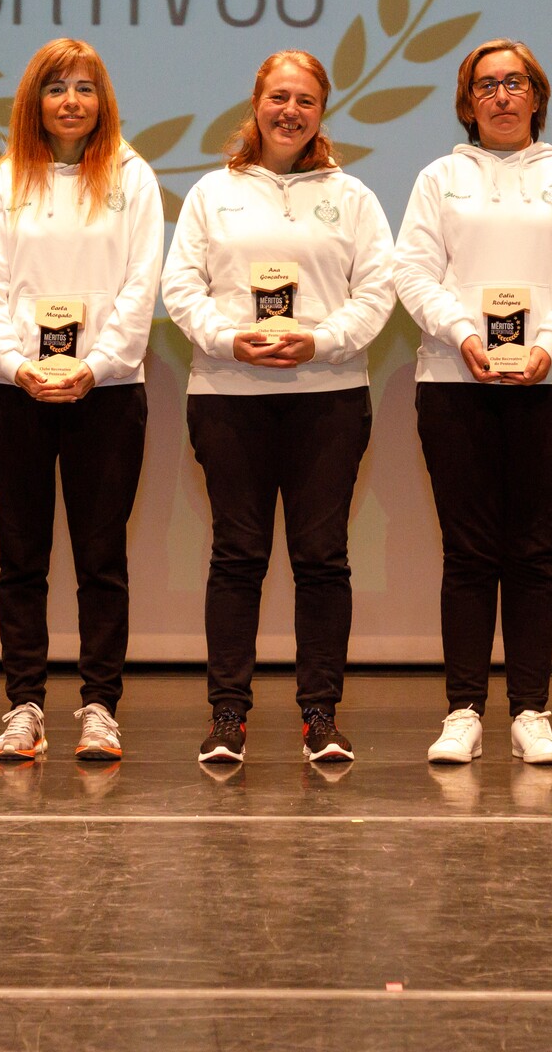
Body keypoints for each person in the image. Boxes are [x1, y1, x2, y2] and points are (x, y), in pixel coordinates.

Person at [162, 51, 396, 765]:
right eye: (278, 97)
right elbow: (181, 288)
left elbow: (377, 291)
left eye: (306, 101)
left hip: (328, 399)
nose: (290, 111)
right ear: (256, 103)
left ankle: (319, 716)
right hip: (229, 397)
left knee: (322, 559)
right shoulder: (212, 193)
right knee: (237, 557)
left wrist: (321, 341)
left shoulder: (352, 197)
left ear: (322, 112)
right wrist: (228, 340)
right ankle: (227, 715)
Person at [393, 40, 552, 767]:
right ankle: (463, 710)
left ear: (536, 96)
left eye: (514, 82)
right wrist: (463, 334)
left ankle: (530, 712)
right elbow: (413, 272)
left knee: (532, 550)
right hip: (453, 382)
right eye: (486, 85)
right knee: (466, 553)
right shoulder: (438, 179)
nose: (501, 95)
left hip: (550, 384)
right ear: (468, 102)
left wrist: (549, 342)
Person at [0, 39, 164, 765]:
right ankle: (24, 706)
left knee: (101, 559)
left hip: (106, 394)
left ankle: (100, 707)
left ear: (103, 101)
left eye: (85, 88)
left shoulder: (132, 178)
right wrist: (17, 365)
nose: (71, 102)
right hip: (14, 393)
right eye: (56, 88)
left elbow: (142, 285)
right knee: (21, 558)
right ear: (34, 101)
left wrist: (97, 365)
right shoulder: (2, 182)